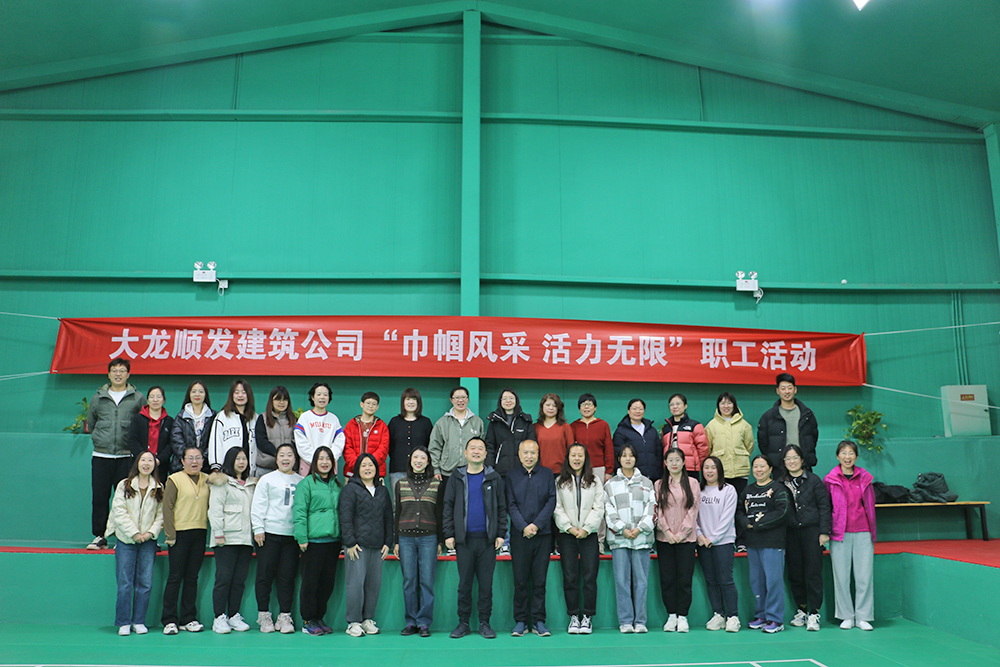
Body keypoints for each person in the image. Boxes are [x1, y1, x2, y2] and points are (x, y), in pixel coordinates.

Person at [443, 437, 506, 639]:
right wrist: (449, 533)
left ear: (486, 454)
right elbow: (448, 506)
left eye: (480, 448)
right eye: (473, 448)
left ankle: (484, 623)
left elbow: (502, 507)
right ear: (465, 452)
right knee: (464, 585)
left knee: (486, 585)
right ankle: (463, 623)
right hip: (464, 541)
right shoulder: (456, 477)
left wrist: (500, 533)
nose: (476, 451)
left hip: (487, 541)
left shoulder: (494, 478)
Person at [86, 357, 146, 550]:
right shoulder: (98, 397)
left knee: (126, 498)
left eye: (122, 371)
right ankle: (99, 536)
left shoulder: (137, 398)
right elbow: (92, 423)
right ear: (108, 374)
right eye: (114, 371)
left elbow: (142, 424)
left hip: (126, 457)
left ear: (128, 374)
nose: (118, 374)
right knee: (100, 497)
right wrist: (99, 438)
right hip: (101, 456)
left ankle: (124, 536)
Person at [107, 451, 163, 636]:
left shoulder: (159, 487)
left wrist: (150, 533)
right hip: (126, 540)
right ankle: (123, 622)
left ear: (154, 465)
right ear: (137, 463)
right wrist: (134, 533)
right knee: (125, 583)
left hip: (148, 542)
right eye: (143, 460)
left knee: (145, 583)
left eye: (150, 460)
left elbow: (161, 515)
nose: (146, 463)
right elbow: (119, 512)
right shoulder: (124, 485)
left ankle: (139, 621)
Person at [506, 439, 556, 637]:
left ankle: (538, 621)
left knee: (539, 581)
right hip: (519, 535)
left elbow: (551, 501)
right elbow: (510, 504)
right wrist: (524, 526)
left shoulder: (547, 474)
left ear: (538, 454)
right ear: (519, 455)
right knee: (520, 581)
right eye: (525, 452)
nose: (529, 456)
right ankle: (520, 621)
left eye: (532, 452)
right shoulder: (511, 476)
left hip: (542, 535)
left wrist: (536, 525)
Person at [824, 440, 876, 632]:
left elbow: (870, 505)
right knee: (841, 577)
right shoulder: (830, 479)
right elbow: (826, 507)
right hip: (839, 533)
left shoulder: (866, 478)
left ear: (856, 456)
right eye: (844, 453)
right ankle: (846, 616)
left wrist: (872, 530)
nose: (847, 457)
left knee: (864, 577)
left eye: (851, 453)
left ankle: (863, 617)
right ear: (838, 456)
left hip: (863, 531)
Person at [340, 453, 394, 637]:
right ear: (358, 469)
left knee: (373, 586)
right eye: (363, 465)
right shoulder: (350, 489)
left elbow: (388, 517)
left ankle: (367, 619)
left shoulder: (382, 491)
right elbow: (345, 517)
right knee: (355, 584)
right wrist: (350, 542)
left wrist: (388, 542)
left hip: (377, 546)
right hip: (357, 546)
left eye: (371, 465)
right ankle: (353, 622)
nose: (368, 468)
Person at [251, 443, 303, 634]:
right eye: (282, 455)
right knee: (264, 576)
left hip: (291, 537)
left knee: (287, 577)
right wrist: (258, 528)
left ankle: (285, 616)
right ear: (277, 459)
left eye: (289, 455)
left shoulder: (301, 481)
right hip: (269, 534)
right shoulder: (267, 479)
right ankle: (264, 615)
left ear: (295, 459)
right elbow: (258, 505)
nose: (285, 458)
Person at [604, 444, 655, 634]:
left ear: (636, 459)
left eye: (631, 455)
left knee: (641, 582)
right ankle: (625, 621)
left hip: (641, 540)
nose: (627, 459)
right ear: (619, 459)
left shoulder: (647, 483)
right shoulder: (610, 485)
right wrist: (622, 529)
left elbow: (652, 509)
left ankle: (640, 621)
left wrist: (640, 529)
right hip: (619, 540)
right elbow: (608, 510)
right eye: (624, 455)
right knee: (622, 581)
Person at [554, 443, 604, 635]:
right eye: (573, 455)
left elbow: (599, 508)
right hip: (567, 535)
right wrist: (569, 527)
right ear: (568, 458)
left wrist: (586, 528)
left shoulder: (595, 481)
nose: (577, 459)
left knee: (590, 578)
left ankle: (588, 617)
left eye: (580, 455)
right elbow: (557, 508)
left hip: (588, 535)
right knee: (570, 577)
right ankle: (574, 616)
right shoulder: (560, 481)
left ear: (585, 458)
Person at [736, 455, 790, 634]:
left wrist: (759, 524)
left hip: (773, 543)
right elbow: (740, 511)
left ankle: (776, 619)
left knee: (773, 581)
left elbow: (782, 512)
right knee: (757, 582)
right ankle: (761, 615)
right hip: (753, 543)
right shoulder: (748, 490)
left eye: (762, 466)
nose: (758, 470)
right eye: (755, 467)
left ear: (770, 469)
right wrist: (746, 523)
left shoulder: (778, 489)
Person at [781, 444, 831, 632]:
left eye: (795, 457)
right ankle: (801, 610)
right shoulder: (781, 482)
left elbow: (824, 507)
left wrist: (824, 532)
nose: (792, 461)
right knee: (795, 573)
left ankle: (814, 613)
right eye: (788, 458)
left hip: (812, 532)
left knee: (813, 573)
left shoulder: (814, 480)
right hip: (791, 533)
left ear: (802, 460)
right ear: (784, 462)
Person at [294, 446, 343, 636]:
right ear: (314, 462)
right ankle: (308, 620)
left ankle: (319, 617)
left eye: (328, 459)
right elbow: (299, 512)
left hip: (333, 542)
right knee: (310, 583)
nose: (324, 462)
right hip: (313, 542)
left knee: (326, 584)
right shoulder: (306, 484)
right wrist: (302, 538)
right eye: (321, 459)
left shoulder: (337, 485)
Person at [394, 446, 442, 637]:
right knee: (409, 581)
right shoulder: (401, 484)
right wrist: (396, 541)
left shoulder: (436, 484)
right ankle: (411, 622)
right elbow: (397, 513)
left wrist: (440, 541)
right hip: (405, 539)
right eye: (416, 457)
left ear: (428, 461)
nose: (419, 461)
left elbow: (440, 513)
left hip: (429, 538)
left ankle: (424, 623)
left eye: (423, 457)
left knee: (427, 582)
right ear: (410, 460)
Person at [161, 445, 210, 635]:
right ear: (182, 461)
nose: (194, 461)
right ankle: (169, 620)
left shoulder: (208, 480)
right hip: (179, 534)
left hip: (200, 533)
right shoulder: (174, 479)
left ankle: (188, 618)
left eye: (198, 457)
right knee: (175, 577)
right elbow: (167, 508)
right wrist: (170, 535)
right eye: (190, 458)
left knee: (192, 578)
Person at [208, 448, 257, 634]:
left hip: (245, 540)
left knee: (239, 581)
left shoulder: (251, 484)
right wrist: (219, 533)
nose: (241, 462)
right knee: (224, 579)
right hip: (226, 539)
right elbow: (215, 510)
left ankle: (233, 615)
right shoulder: (221, 482)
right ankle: (219, 617)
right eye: (237, 459)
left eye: (244, 459)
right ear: (230, 461)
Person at [653, 447, 701, 633]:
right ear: (665, 463)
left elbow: (693, 510)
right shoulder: (659, 484)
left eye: (677, 460)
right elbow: (657, 510)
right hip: (664, 539)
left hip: (686, 540)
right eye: (670, 460)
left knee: (684, 578)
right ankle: (671, 615)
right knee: (667, 579)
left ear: (683, 462)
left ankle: (683, 616)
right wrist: (666, 532)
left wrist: (681, 534)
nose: (674, 463)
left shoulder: (693, 483)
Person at [696, 456, 739, 633]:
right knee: (711, 581)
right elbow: (693, 516)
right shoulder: (698, 491)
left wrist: (713, 538)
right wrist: (700, 535)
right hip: (703, 543)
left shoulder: (729, 490)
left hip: (723, 542)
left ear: (719, 470)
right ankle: (718, 614)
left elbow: (727, 518)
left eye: (713, 467)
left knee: (725, 580)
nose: (710, 471)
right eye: (706, 467)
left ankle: (733, 617)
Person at [429, 386, 485, 512]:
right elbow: (434, 447)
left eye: (463, 397)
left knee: (469, 507)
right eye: (457, 397)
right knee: (447, 507)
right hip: (447, 473)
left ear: (468, 399)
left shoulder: (477, 422)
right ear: (451, 400)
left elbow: (482, 446)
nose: (460, 400)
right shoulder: (442, 422)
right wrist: (436, 469)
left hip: (471, 472)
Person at [570, 393, 614, 550]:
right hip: (578, 469)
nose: (586, 407)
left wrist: (609, 471)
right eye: (583, 404)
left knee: (598, 505)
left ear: (595, 408)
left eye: (589, 404)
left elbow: (609, 448)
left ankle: (599, 541)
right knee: (579, 504)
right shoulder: (574, 426)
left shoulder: (603, 425)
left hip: (599, 469)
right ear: (579, 408)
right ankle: (578, 538)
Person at [758, 373, 818, 472]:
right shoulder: (768, 417)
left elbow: (813, 438)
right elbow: (763, 443)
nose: (787, 391)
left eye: (790, 388)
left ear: (795, 389)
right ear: (778, 391)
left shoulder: (807, 415)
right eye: (783, 388)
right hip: (779, 467)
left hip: (804, 465)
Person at [704, 392, 754, 498]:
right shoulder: (711, 426)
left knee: (740, 502)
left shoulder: (744, 425)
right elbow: (708, 448)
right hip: (720, 471)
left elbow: (749, 446)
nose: (726, 406)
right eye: (723, 403)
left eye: (729, 403)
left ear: (734, 405)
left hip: (740, 471)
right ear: (718, 405)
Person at [387, 388, 434, 502]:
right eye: (408, 399)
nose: (411, 402)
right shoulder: (394, 422)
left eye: (414, 399)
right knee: (397, 503)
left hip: (420, 471)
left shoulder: (426, 422)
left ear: (418, 402)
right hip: (398, 470)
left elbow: (430, 446)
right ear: (403, 402)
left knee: (419, 503)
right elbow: (389, 446)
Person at [207, 379, 259, 475]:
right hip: (227, 471)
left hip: (250, 472)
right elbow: (215, 443)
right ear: (232, 395)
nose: (240, 395)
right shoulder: (222, 416)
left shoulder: (255, 418)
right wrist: (216, 467)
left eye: (243, 392)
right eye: (236, 392)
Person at [294, 382, 345, 478]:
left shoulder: (333, 419)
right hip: (308, 466)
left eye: (325, 394)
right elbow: (301, 443)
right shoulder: (305, 417)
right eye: (319, 394)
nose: (322, 397)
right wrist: (316, 460)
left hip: (329, 466)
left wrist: (328, 459)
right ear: (312, 397)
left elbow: (339, 442)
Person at [485, 387, 535, 477]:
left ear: (516, 400)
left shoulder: (525, 421)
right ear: (500, 401)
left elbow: (532, 446)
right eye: (505, 399)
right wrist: (489, 468)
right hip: (500, 471)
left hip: (522, 471)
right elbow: (490, 447)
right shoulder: (494, 422)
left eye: (511, 398)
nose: (508, 401)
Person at [127, 386, 174, 483]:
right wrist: (144, 459)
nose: (155, 400)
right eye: (152, 397)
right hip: (139, 465)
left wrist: (158, 460)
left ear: (164, 400)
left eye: (158, 397)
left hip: (161, 466)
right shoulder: (137, 419)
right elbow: (132, 440)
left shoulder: (169, 421)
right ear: (147, 400)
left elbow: (171, 444)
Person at [612, 398, 662, 483]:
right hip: (631, 477)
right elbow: (617, 454)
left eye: (640, 409)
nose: (637, 411)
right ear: (628, 411)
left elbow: (658, 453)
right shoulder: (621, 431)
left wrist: (659, 473)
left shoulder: (651, 430)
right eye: (634, 409)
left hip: (653, 476)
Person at [170, 381, 214, 475]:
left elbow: (214, 442)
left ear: (205, 394)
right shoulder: (180, 417)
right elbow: (176, 442)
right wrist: (189, 459)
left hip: (206, 467)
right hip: (182, 467)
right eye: (194, 391)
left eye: (201, 391)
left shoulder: (213, 417)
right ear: (189, 394)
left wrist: (201, 459)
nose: (197, 394)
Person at [344, 392, 390, 478]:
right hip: (353, 471)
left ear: (377, 407)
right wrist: (358, 465)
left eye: (374, 404)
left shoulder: (382, 426)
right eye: (368, 403)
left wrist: (370, 466)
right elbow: (347, 448)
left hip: (375, 472)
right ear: (361, 404)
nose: (371, 406)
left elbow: (383, 449)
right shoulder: (351, 424)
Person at [661, 394, 709, 476]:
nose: (675, 407)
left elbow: (703, 449)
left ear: (685, 406)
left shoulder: (695, 425)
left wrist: (699, 465)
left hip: (690, 469)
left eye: (678, 404)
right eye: (672, 404)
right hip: (670, 469)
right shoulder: (666, 429)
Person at [255, 386, 295, 475]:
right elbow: (261, 441)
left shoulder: (293, 419)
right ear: (271, 401)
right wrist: (277, 454)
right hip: (267, 466)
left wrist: (287, 457)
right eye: (278, 399)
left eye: (285, 399)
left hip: (288, 468)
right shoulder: (263, 418)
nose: (281, 402)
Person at [535, 393, 573, 475]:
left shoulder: (565, 427)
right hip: (539, 472)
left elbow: (571, 451)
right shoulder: (535, 427)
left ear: (558, 408)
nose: (551, 408)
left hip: (561, 472)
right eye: (548, 405)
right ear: (542, 406)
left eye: (554, 405)